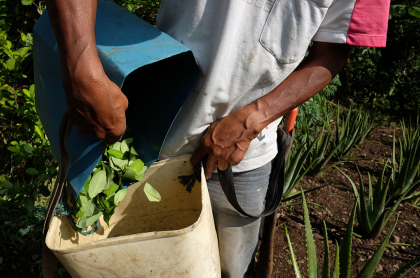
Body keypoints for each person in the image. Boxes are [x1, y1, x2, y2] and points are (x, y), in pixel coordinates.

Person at [44, 0, 391, 277]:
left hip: (241, 160)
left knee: (230, 268)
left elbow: (334, 51)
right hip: (146, 135)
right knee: (140, 265)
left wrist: (254, 118)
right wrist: (80, 69)